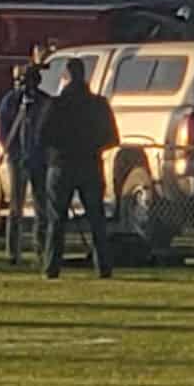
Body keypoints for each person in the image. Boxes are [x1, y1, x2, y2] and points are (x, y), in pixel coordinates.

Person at [36, 57, 119, 280]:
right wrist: (91, 145)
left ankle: (51, 267)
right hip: (90, 164)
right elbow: (112, 137)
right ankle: (103, 267)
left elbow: (41, 136)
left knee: (56, 220)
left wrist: (58, 149)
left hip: (61, 165)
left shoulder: (55, 105)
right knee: (96, 218)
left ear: (66, 77)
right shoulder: (99, 105)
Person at [0, 61, 50, 266]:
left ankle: (42, 249)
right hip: (18, 160)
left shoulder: (44, 102)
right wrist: (15, 153)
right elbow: (4, 133)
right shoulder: (12, 102)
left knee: (41, 207)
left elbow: (49, 129)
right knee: (15, 208)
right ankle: (12, 252)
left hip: (39, 159)